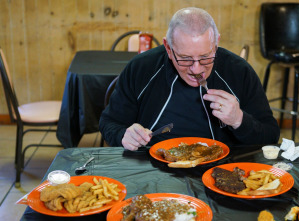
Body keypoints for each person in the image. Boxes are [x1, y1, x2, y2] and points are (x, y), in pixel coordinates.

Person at [99, 7, 280, 151]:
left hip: (220, 171)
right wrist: (124, 135)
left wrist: (239, 120)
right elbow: (109, 122)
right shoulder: (141, 68)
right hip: (152, 169)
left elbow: (271, 135)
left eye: (205, 57)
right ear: (168, 48)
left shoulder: (239, 72)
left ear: (216, 44)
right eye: (185, 58)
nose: (196, 69)